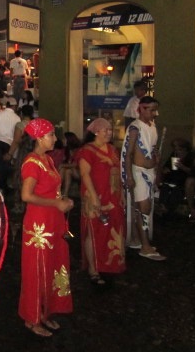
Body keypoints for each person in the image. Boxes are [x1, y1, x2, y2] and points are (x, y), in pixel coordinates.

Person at [18, 118, 74, 337]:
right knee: (37, 270)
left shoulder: (47, 160)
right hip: (38, 226)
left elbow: (50, 190)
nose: (55, 138)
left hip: (52, 221)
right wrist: (56, 203)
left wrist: (63, 201)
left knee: (52, 265)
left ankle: (45, 311)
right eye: (51, 135)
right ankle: (32, 318)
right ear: (39, 138)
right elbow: (26, 195)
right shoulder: (32, 162)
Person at [78, 118, 126, 285]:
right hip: (95, 195)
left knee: (111, 229)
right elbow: (85, 175)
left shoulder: (112, 149)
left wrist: (122, 195)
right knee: (93, 230)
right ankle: (93, 268)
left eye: (110, 130)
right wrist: (94, 197)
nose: (108, 132)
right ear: (96, 131)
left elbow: (117, 174)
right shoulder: (87, 151)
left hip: (112, 195)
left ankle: (109, 264)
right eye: (105, 130)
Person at [121, 96, 166, 260]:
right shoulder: (135, 128)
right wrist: (129, 176)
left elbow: (152, 148)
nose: (156, 113)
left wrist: (156, 162)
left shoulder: (152, 126)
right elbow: (129, 154)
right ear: (142, 108)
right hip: (138, 172)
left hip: (149, 171)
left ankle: (138, 240)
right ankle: (145, 246)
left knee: (145, 209)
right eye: (152, 110)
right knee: (143, 208)